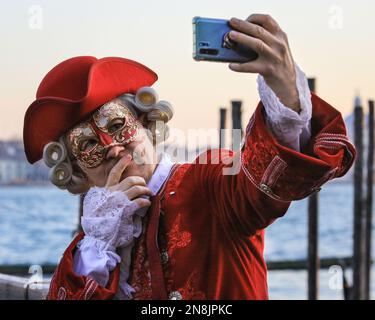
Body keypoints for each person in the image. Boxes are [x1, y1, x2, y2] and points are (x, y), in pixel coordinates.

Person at [23, 14, 355, 300]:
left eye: (117, 124)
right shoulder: (90, 247)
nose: (111, 145)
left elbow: (266, 185)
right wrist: (100, 244)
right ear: (77, 171)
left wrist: (285, 93)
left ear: (147, 124)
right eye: (88, 145)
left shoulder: (210, 182)